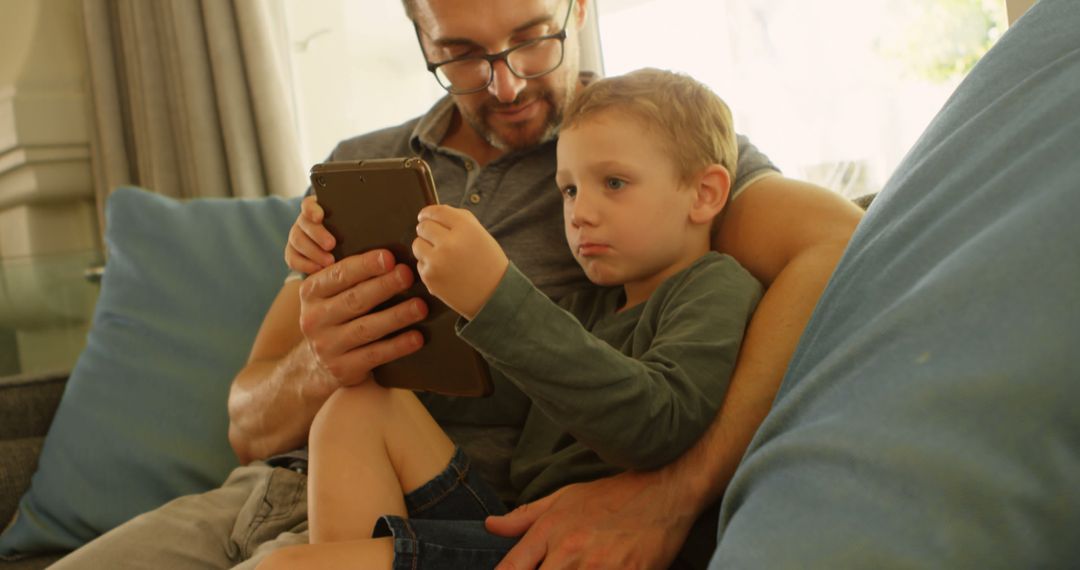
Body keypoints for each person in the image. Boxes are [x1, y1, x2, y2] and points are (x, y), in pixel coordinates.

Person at [50, 0, 861, 568]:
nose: (505, 84)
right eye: (462, 55)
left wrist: (674, 494)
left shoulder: (643, 156)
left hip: (446, 509)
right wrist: (323, 361)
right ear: (420, 33)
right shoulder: (366, 165)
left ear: (577, 9)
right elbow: (247, 421)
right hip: (268, 486)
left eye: (530, 40)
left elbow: (836, 244)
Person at [258, 67, 763, 569]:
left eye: (613, 182)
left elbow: (657, 426)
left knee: (286, 568)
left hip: (584, 551)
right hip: (517, 530)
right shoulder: (587, 307)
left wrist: (496, 296)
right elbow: (492, 392)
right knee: (357, 406)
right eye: (568, 190)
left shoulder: (714, 285)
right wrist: (367, 288)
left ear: (705, 194)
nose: (580, 212)